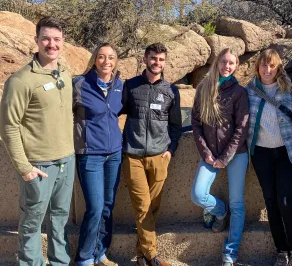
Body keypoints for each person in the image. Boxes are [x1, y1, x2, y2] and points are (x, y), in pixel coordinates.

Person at [0, 17, 75, 265]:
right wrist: (24, 168)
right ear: (36, 40)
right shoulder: (20, 81)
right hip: (39, 166)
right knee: (32, 221)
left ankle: (59, 261)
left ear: (63, 42)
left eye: (56, 39)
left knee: (60, 217)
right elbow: (9, 126)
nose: (51, 44)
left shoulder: (64, 73)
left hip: (66, 160)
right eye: (46, 38)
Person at [121, 42, 182, 266]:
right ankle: (153, 256)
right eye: (154, 58)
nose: (157, 63)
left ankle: (141, 255)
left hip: (159, 156)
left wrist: (170, 150)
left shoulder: (171, 91)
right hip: (133, 155)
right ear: (146, 58)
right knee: (142, 206)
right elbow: (112, 111)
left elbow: (176, 126)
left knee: (152, 208)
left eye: (161, 59)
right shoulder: (130, 86)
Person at [191, 48, 249, 266]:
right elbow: (196, 124)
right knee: (197, 194)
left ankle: (230, 253)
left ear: (235, 66)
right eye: (224, 62)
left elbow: (241, 129)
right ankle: (219, 211)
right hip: (209, 154)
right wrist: (206, 153)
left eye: (231, 63)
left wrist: (224, 157)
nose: (227, 66)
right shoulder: (204, 89)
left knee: (238, 203)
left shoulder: (239, 93)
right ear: (217, 63)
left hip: (236, 155)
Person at [247, 49, 292, 266]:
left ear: (279, 67)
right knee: (270, 201)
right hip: (261, 153)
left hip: (287, 152)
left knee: (285, 201)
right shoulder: (249, 90)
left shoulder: (291, 88)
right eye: (263, 65)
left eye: (272, 65)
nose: (267, 69)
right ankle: (281, 249)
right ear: (257, 67)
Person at [73, 43, 123, 266]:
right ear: (94, 59)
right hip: (89, 154)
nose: (106, 61)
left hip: (114, 154)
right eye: (101, 57)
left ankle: (100, 253)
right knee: (94, 208)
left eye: (111, 57)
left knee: (107, 206)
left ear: (116, 60)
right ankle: (84, 257)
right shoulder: (80, 84)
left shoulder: (120, 84)